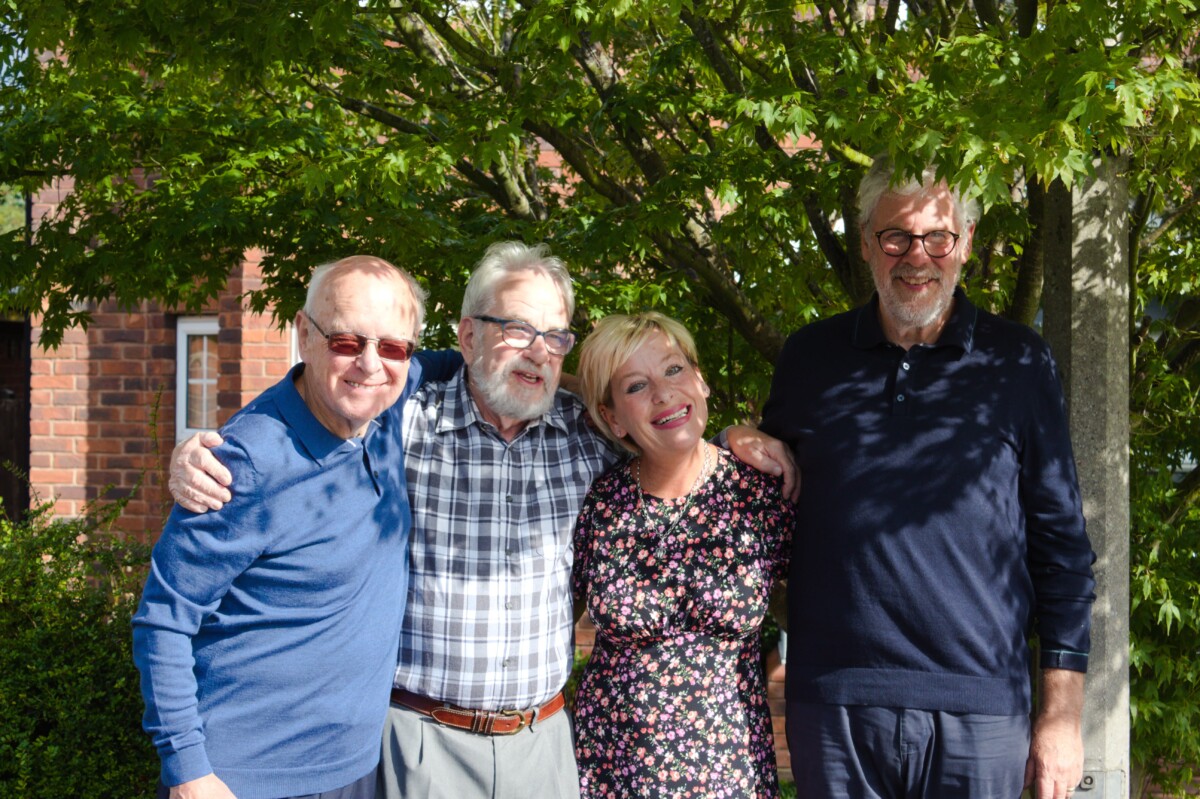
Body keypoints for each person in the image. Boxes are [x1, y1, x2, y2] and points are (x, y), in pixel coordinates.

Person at [167, 241, 798, 799]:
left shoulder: (588, 440)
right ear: (467, 337)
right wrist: (220, 445)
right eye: (518, 329)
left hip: (543, 744)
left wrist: (739, 434)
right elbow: (329, 391)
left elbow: (661, 424)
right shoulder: (401, 421)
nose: (539, 351)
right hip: (420, 739)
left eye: (556, 336)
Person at [760, 155, 1097, 799]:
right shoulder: (810, 358)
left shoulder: (1019, 362)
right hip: (836, 704)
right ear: (866, 244)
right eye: (896, 238)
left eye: (938, 237)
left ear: (965, 242)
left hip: (982, 706)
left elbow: (1063, 551)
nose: (918, 257)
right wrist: (733, 441)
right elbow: (763, 505)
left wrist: (1061, 716)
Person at [133, 256, 427, 799]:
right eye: (346, 341)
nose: (369, 364)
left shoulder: (382, 407)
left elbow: (481, 361)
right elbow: (164, 621)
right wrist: (189, 772)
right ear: (304, 335)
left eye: (392, 347)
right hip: (245, 778)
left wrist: (604, 392)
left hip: (356, 769)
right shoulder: (242, 461)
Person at [571, 312, 794, 798]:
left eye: (674, 370)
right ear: (611, 418)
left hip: (731, 770)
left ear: (702, 382)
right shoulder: (598, 503)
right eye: (635, 385)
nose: (663, 393)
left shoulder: (758, 492)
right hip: (610, 771)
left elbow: (822, 603)